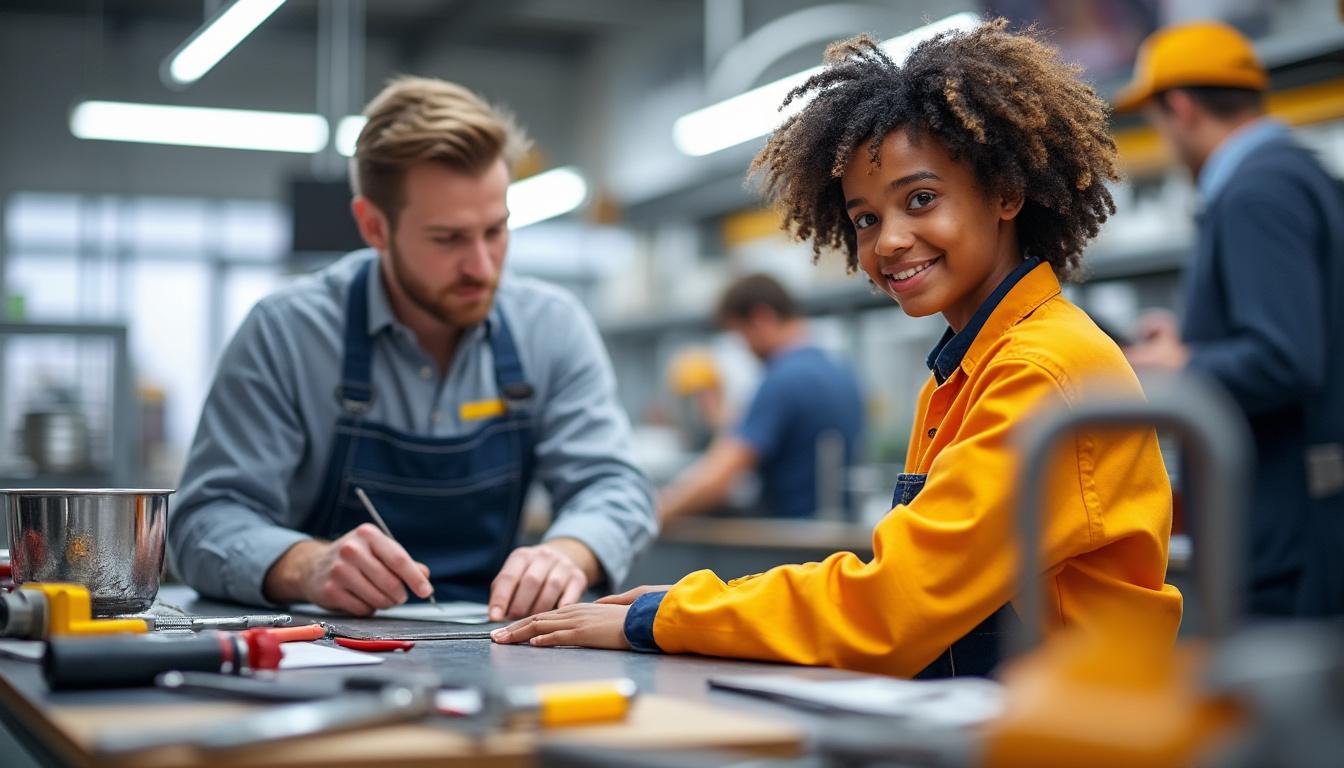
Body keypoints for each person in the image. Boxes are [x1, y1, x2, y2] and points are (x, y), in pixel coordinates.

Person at [491, 20, 1182, 677]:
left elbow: (890, 607)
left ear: (1005, 193)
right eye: (866, 218)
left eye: (920, 200)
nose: (887, 243)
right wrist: (692, 605)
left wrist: (665, 617)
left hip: (1075, 728)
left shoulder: (1041, 369)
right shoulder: (971, 366)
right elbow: (910, 586)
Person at [168, 77, 656, 621]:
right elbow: (204, 521)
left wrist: (569, 554)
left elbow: (613, 486)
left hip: (496, 641)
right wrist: (305, 565)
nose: (482, 266)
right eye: (448, 239)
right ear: (374, 226)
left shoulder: (552, 327)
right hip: (328, 649)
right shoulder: (286, 333)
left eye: (496, 231)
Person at [1118, 21, 1344, 617]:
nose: (1162, 139)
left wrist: (1183, 363)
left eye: (1158, 122)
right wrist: (1190, 341)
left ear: (1183, 108)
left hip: (1284, 539)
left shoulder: (1256, 190)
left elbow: (1286, 358)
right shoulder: (1300, 175)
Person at [658, 275, 864, 522]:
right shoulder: (840, 371)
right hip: (836, 533)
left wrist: (655, 513)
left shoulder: (783, 381)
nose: (745, 349)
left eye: (741, 335)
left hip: (792, 538)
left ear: (761, 318)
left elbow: (718, 479)